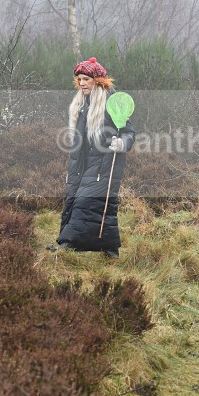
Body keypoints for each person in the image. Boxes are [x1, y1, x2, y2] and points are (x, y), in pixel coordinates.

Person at [52, 57, 135, 257]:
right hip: (83, 164)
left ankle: (68, 243)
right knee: (83, 201)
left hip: (105, 165)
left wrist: (122, 143)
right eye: (79, 79)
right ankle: (109, 248)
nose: (81, 83)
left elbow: (129, 132)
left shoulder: (112, 103)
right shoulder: (82, 104)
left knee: (86, 202)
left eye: (86, 79)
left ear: (97, 81)